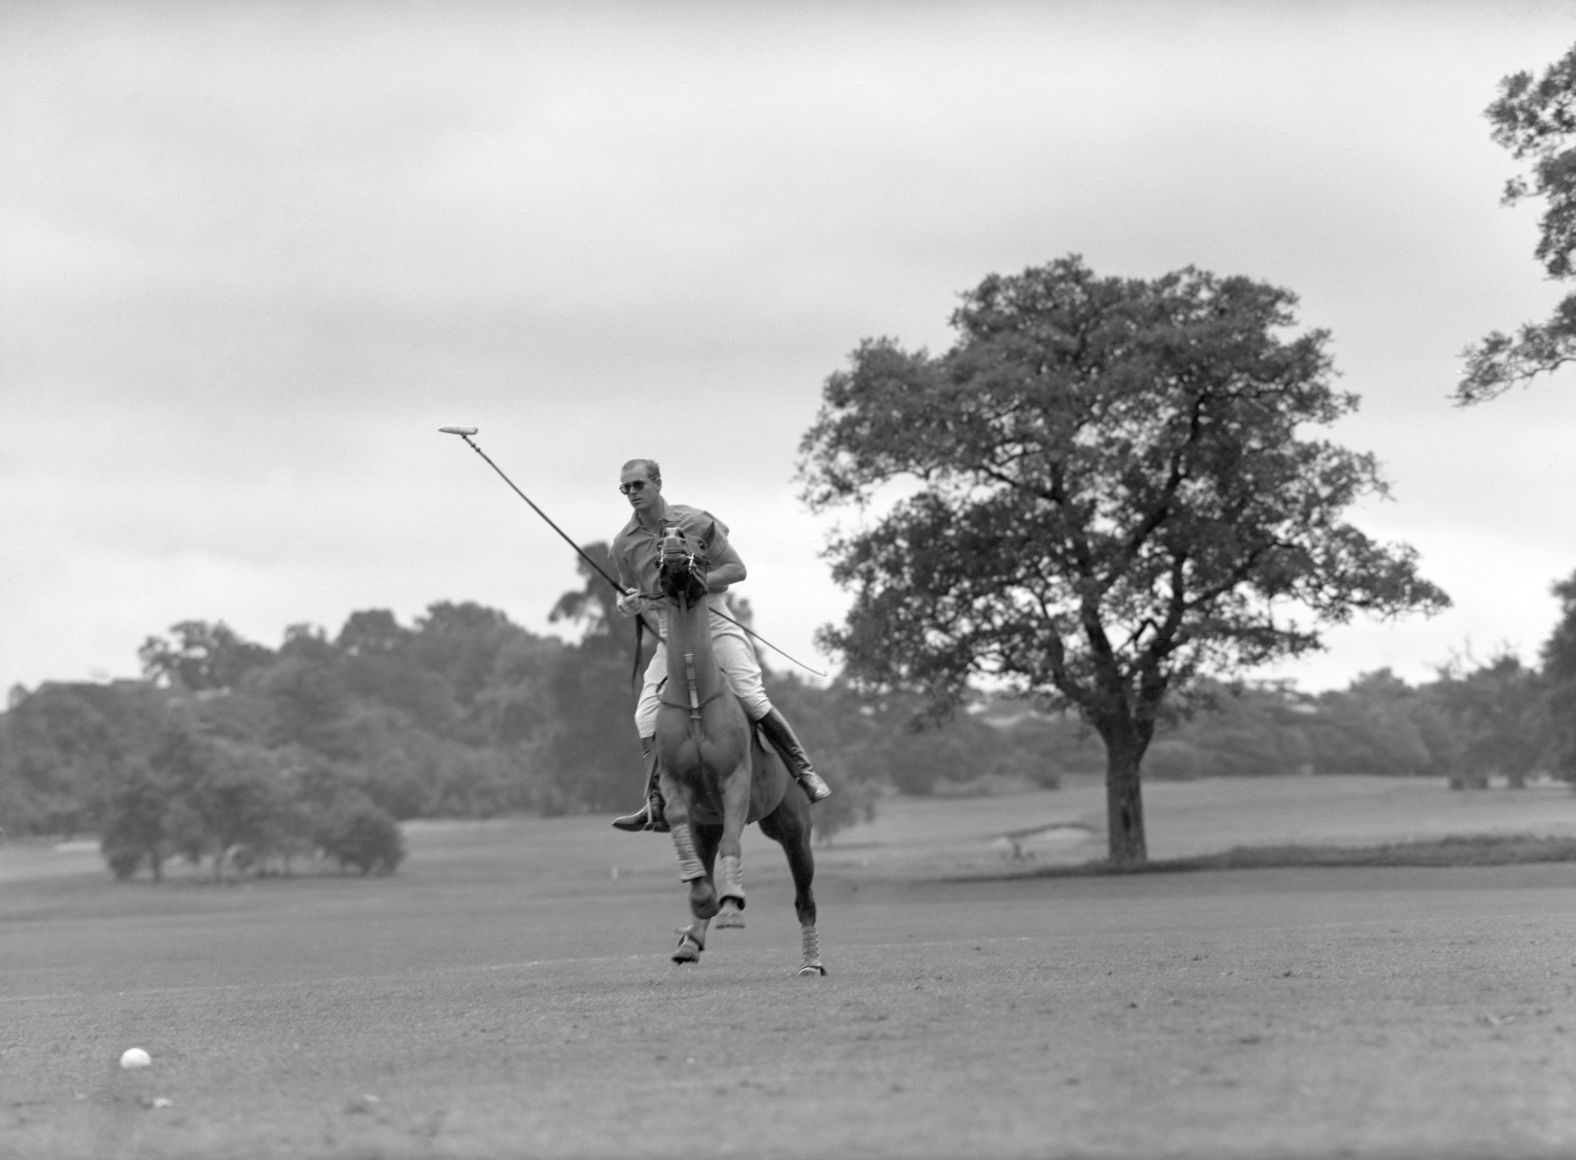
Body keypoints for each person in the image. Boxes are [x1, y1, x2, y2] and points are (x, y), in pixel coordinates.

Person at [608, 457, 831, 833]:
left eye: (638, 485)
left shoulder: (695, 521)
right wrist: (627, 603)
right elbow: (630, 592)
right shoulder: (623, 544)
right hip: (670, 626)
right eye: (625, 488)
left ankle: (804, 772)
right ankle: (655, 800)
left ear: (658, 483)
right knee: (645, 715)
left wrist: (695, 580)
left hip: (711, 615)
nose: (631, 493)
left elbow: (737, 569)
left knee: (749, 693)